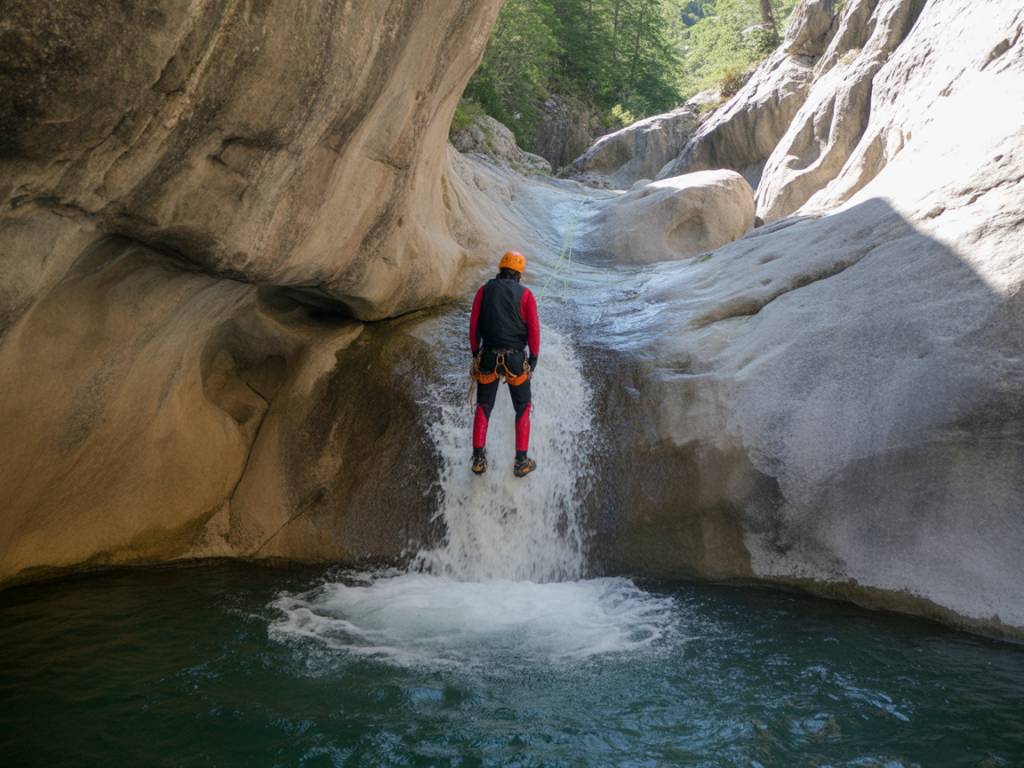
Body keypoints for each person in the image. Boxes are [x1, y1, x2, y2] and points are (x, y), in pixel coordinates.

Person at [468, 251, 540, 477]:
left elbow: (474, 325)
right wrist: (534, 358)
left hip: (488, 355)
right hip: (516, 359)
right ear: (519, 274)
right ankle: (521, 462)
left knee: (483, 406)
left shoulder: (483, 290)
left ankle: (478, 460)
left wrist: (474, 352)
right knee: (523, 407)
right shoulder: (526, 295)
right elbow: (534, 330)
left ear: (500, 270)